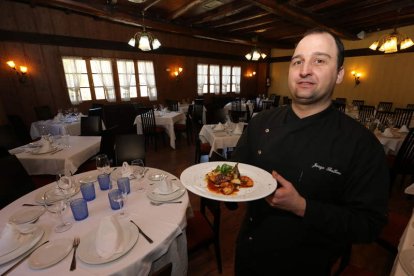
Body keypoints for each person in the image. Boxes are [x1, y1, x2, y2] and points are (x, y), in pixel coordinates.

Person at [231, 28, 389, 275]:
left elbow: (368, 225)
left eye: (319, 60)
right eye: (298, 61)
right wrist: (216, 191)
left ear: (339, 75)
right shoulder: (261, 121)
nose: (305, 70)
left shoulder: (361, 144)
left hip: (306, 266)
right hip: (249, 255)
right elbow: (236, 172)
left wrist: (302, 206)